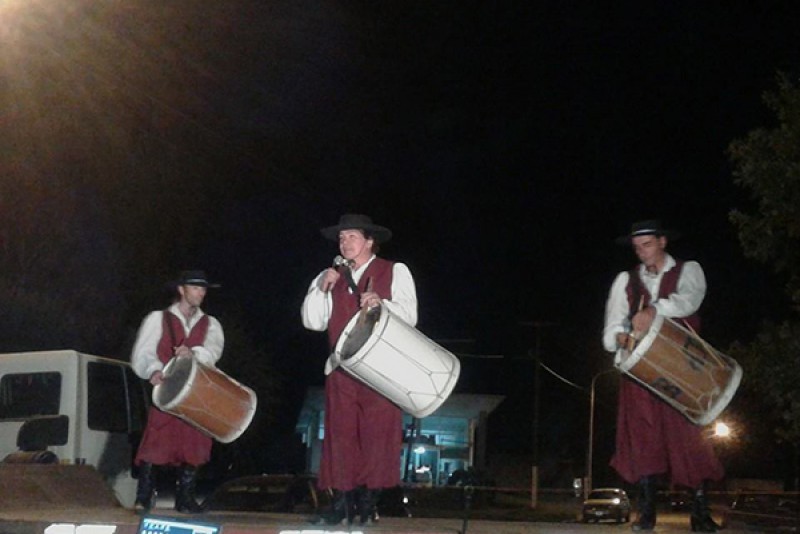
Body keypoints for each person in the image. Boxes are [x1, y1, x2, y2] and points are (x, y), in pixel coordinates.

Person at [602, 220, 724, 532]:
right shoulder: (625, 280)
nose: (642, 252)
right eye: (637, 248)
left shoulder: (688, 270)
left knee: (690, 439)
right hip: (640, 372)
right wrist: (619, 337)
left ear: (662, 242)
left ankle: (700, 514)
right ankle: (646, 514)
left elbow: (689, 301)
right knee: (643, 440)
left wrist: (653, 310)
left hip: (682, 368)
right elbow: (612, 326)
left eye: (647, 245)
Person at [301, 213, 418, 526]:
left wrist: (382, 304)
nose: (345, 242)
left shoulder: (394, 271)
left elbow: (410, 316)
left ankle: (368, 504)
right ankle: (341, 503)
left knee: (377, 435)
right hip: (342, 369)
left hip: (381, 369)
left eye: (352, 236)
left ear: (369, 241)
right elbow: (312, 322)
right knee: (340, 435)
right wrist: (322, 289)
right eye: (341, 238)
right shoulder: (330, 275)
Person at [131, 270, 224, 513]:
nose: (201, 293)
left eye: (203, 289)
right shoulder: (157, 318)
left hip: (195, 395)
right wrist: (153, 370)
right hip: (167, 393)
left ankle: (185, 498)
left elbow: (213, 352)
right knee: (155, 443)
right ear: (181, 290)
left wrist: (194, 353)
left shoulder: (211, 324)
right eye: (195, 288)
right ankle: (143, 496)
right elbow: (144, 352)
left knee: (195, 445)